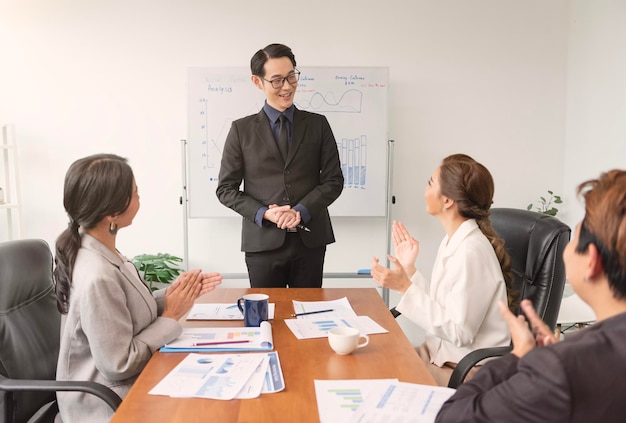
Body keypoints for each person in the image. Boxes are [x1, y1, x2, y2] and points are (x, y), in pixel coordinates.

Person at [436, 169, 626, 422]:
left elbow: (452, 417)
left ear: (591, 261)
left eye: (576, 237)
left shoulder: (561, 368)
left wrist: (519, 355)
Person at [53, 154, 222, 423]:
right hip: (106, 405)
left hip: (125, 386)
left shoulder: (99, 250)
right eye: (135, 192)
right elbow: (119, 365)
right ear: (112, 213)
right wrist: (170, 317)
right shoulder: (96, 275)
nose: (139, 198)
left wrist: (170, 296)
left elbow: (123, 311)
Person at [371, 153, 517, 386]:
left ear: (448, 200)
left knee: (378, 382)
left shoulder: (471, 252)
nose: (425, 190)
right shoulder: (454, 240)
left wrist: (404, 287)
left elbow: (459, 332)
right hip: (440, 356)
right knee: (370, 363)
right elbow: (443, 308)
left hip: (464, 370)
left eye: (430, 183)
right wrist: (410, 271)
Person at [216, 43, 344, 288]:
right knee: (265, 320)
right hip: (262, 243)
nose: (287, 87)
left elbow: (333, 181)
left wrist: (300, 211)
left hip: (310, 241)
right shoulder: (241, 130)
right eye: (277, 80)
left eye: (291, 77)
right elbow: (225, 190)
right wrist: (265, 213)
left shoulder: (318, 125)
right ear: (257, 82)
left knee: (307, 318)